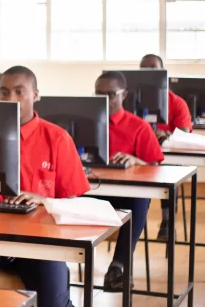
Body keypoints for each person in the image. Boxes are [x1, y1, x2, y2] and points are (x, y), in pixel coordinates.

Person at [0, 66, 90, 307]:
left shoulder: (57, 138)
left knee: (54, 303)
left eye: (19, 92)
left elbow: (75, 202)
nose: (10, 99)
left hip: (40, 245)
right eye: (3, 92)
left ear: (35, 95)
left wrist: (43, 200)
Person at [94, 71, 164, 292]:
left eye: (111, 94)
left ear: (124, 95)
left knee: (140, 198)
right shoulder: (83, 124)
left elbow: (155, 169)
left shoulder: (139, 127)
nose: (105, 99)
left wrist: (136, 161)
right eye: (98, 94)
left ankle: (119, 266)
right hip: (91, 190)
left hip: (124, 196)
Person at [139, 54, 193, 241]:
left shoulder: (177, 103)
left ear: (163, 73)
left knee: (166, 171)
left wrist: (166, 135)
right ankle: (130, 222)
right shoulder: (131, 102)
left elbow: (184, 134)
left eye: (153, 69)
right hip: (140, 157)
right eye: (144, 70)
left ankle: (167, 222)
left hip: (167, 158)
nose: (149, 74)